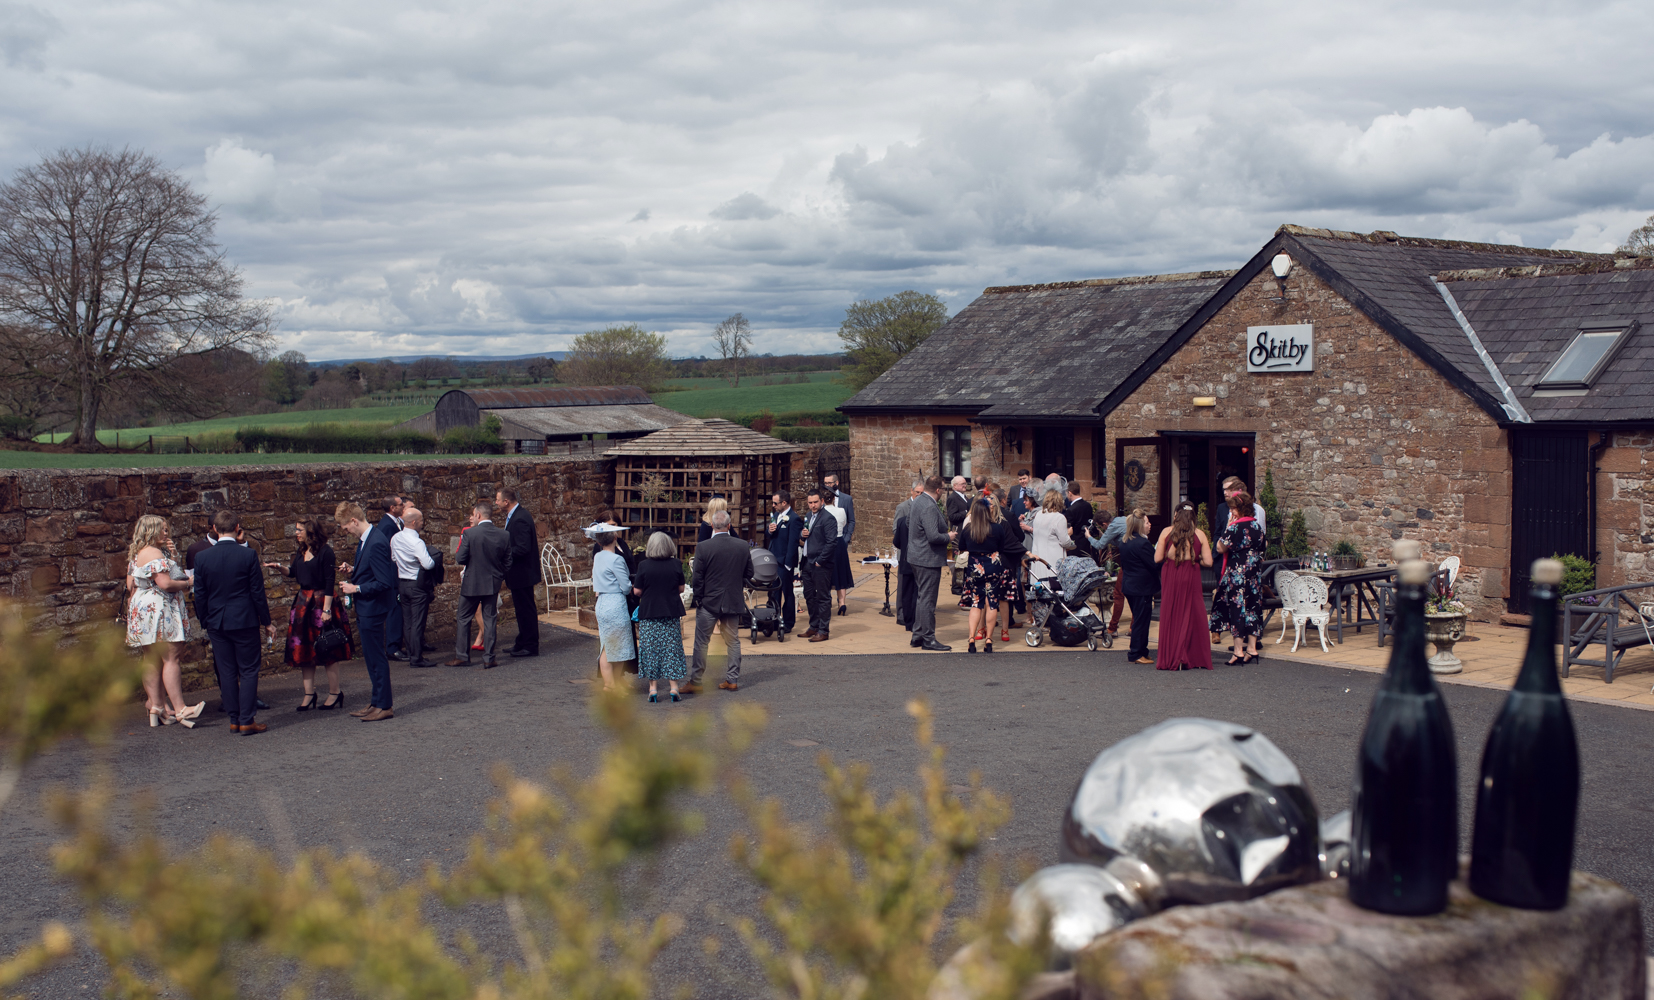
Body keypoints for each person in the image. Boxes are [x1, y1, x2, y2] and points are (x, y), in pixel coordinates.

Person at [192, 509, 275, 734]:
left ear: (216, 529)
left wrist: (204, 620)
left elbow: (199, 594)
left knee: (226, 670)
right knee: (248, 669)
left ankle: (234, 719)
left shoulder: (202, 557)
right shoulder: (247, 555)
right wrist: (266, 621)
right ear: (237, 528)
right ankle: (247, 719)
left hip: (216, 622)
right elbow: (257, 592)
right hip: (244, 620)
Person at [263, 518, 352, 711]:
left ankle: (335, 693)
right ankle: (309, 694)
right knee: (303, 650)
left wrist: (327, 610)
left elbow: (330, 582)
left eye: (299, 530)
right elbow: (294, 572)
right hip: (303, 604)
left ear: (310, 531)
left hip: (321, 602)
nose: (296, 533)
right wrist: (280, 567)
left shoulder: (326, 552)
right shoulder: (301, 551)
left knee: (328, 648)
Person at [125, 515, 204, 728]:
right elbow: (166, 583)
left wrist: (171, 555)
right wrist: (189, 582)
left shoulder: (137, 553)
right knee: (171, 657)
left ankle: (156, 706)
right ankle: (180, 709)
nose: (166, 533)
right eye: (163, 530)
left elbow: (130, 584)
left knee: (151, 658)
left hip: (143, 608)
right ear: (151, 531)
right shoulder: (153, 552)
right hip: (158, 608)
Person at [338, 501, 397, 721]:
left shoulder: (376, 542)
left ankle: (384, 705)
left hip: (373, 608)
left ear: (354, 520)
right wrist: (354, 570)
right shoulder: (368, 540)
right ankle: (376, 703)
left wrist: (356, 588)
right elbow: (372, 569)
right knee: (371, 658)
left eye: (346, 527)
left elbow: (384, 582)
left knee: (376, 658)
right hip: (367, 608)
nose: (347, 532)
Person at [687, 510, 751, 689]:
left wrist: (699, 598)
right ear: (729, 526)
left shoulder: (703, 547)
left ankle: (696, 681)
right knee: (733, 641)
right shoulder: (742, 546)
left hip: (709, 602)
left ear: (712, 526)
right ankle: (732, 680)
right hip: (732, 599)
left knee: (702, 641)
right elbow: (750, 573)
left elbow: (697, 577)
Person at [1153, 500, 1213, 671]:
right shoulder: (1200, 534)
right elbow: (1208, 561)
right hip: (1191, 574)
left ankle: (1172, 656)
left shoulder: (1167, 532)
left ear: (1176, 515)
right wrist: (1196, 558)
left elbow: (1157, 559)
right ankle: (1195, 657)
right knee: (1193, 613)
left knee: (1171, 613)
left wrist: (1168, 554)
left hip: (1171, 575)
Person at [450, 502, 511, 669]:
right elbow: (508, 562)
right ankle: (489, 658)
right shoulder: (503, 535)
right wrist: (498, 576)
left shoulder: (470, 534)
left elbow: (460, 558)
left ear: (478, 515)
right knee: (490, 619)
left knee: (463, 618)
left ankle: (462, 656)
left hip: (471, 583)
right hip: (492, 583)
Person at [1210, 490, 1267, 665]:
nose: (1231, 513)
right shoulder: (1257, 526)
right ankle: (1252, 649)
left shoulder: (1235, 527)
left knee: (1238, 610)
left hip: (1237, 575)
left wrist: (1228, 526)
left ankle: (1238, 652)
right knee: (1252, 610)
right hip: (1254, 576)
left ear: (1240, 509)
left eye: (1233, 509)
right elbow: (1263, 548)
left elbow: (1220, 548)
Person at [632, 531, 687, 702]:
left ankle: (653, 689)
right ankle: (674, 687)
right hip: (670, 612)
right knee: (672, 649)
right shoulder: (676, 564)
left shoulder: (644, 566)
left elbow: (637, 591)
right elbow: (681, 589)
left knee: (650, 650)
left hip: (649, 613)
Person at [906, 476, 953, 651]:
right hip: (927, 559)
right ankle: (928, 638)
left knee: (921, 597)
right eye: (943, 490)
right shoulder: (928, 505)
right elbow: (933, 536)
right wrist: (949, 537)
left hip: (917, 556)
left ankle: (917, 635)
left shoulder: (918, 501)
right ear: (939, 490)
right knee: (927, 600)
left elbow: (909, 523)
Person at [495, 487, 541, 658]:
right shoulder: (516, 516)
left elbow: (522, 548)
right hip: (519, 574)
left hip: (523, 573)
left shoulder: (520, 518)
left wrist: (502, 552)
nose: (496, 503)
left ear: (506, 502)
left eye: (498, 500)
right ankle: (521, 642)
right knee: (521, 610)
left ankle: (530, 645)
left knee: (526, 609)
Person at [390, 507, 438, 668]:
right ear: (414, 522)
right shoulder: (417, 542)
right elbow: (428, 564)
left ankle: (412, 653)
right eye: (422, 520)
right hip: (417, 585)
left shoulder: (395, 538)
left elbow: (394, 558)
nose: (423, 523)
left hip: (402, 583)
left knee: (408, 622)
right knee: (418, 622)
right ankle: (417, 658)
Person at [958, 498, 1008, 653]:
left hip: (975, 567)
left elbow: (962, 547)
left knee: (976, 604)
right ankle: (989, 640)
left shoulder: (968, 529)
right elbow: (1002, 547)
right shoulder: (997, 528)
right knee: (992, 603)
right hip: (993, 566)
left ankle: (972, 638)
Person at [590, 525, 633, 691]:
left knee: (607, 644)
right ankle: (610, 685)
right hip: (615, 602)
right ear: (615, 538)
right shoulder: (617, 559)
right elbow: (626, 585)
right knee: (616, 646)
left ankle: (611, 684)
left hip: (601, 602)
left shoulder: (598, 557)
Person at [371, 496, 410, 661]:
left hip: (395, 574)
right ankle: (393, 648)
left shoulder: (394, 523)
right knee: (394, 611)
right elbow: (387, 552)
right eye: (401, 505)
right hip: (392, 575)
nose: (404, 507)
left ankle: (397, 646)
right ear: (393, 508)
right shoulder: (387, 526)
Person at [1117, 510, 1159, 665]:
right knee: (1141, 620)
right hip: (1142, 587)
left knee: (1139, 619)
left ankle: (1142, 650)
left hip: (1130, 585)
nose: (1150, 525)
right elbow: (1154, 564)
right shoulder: (1143, 543)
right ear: (1140, 525)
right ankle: (1136, 652)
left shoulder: (1125, 541)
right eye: (1147, 522)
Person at [798, 488, 839, 642]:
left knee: (823, 597)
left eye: (815, 502)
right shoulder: (808, 516)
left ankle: (823, 630)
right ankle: (813, 626)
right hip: (807, 562)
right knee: (809, 596)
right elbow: (803, 537)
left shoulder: (828, 519)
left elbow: (831, 542)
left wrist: (820, 561)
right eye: (810, 502)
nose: (813, 505)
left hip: (820, 564)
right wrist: (802, 535)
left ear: (822, 501)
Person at [766, 490, 804, 634]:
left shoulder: (794, 519)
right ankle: (773, 620)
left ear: (784, 503)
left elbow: (793, 543)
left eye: (775, 503)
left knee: (787, 593)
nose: (773, 505)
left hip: (784, 562)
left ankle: (788, 622)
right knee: (773, 593)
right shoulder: (776, 515)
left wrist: (788, 564)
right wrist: (770, 530)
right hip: (774, 560)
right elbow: (769, 535)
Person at [992, 489, 1026, 641]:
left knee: (990, 597)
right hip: (1006, 558)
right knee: (1005, 595)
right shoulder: (1007, 517)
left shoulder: (979, 520)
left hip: (989, 561)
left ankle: (983, 630)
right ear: (1003, 500)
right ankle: (1007, 624)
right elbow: (1019, 536)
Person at [892, 480, 923, 628]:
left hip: (920, 557)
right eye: (917, 492)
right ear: (911, 491)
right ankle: (902, 615)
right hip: (905, 554)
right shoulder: (902, 507)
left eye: (922, 493)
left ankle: (915, 615)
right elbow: (896, 531)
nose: (919, 495)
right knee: (903, 587)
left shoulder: (925, 507)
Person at [825, 474, 855, 615]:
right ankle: (832, 601)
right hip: (833, 542)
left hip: (840, 540)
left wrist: (846, 538)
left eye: (829, 483)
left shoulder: (846, 499)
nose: (827, 485)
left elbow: (851, 521)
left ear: (836, 482)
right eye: (825, 482)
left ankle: (841, 603)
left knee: (838, 571)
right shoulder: (822, 500)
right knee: (834, 572)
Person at [1028, 489, 1074, 567]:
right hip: (1052, 559)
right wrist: (1068, 534)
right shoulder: (1059, 518)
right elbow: (1065, 542)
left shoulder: (1038, 515)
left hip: (1039, 557)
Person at [1065, 481, 1096, 564]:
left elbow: (1068, 528)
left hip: (1075, 545)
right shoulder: (1088, 505)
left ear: (1070, 493)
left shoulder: (1071, 510)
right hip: (1086, 542)